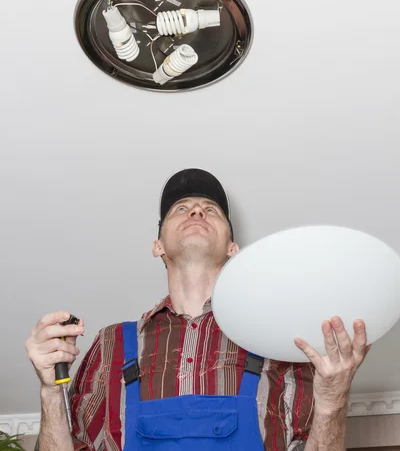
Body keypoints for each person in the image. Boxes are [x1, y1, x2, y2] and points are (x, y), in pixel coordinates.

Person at [25, 168, 371, 451]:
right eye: (181, 208)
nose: (196, 211)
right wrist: (50, 390)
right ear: (157, 246)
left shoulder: (275, 338)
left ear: (233, 247)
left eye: (211, 210)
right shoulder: (112, 342)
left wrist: (332, 400)